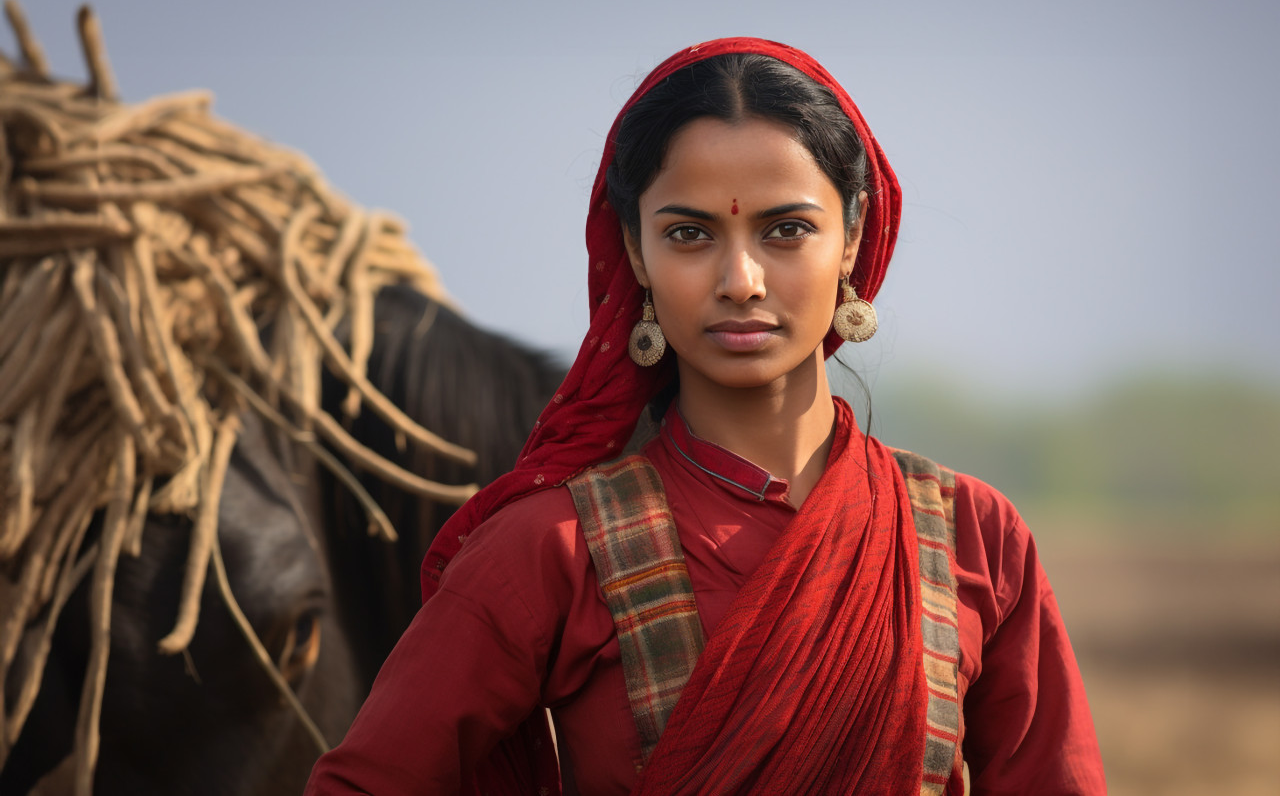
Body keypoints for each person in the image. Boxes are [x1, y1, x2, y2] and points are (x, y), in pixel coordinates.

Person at [305, 38, 1106, 795]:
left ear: (854, 234)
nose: (742, 279)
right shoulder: (555, 549)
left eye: (786, 229)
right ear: (636, 248)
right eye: (689, 234)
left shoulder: (970, 537)